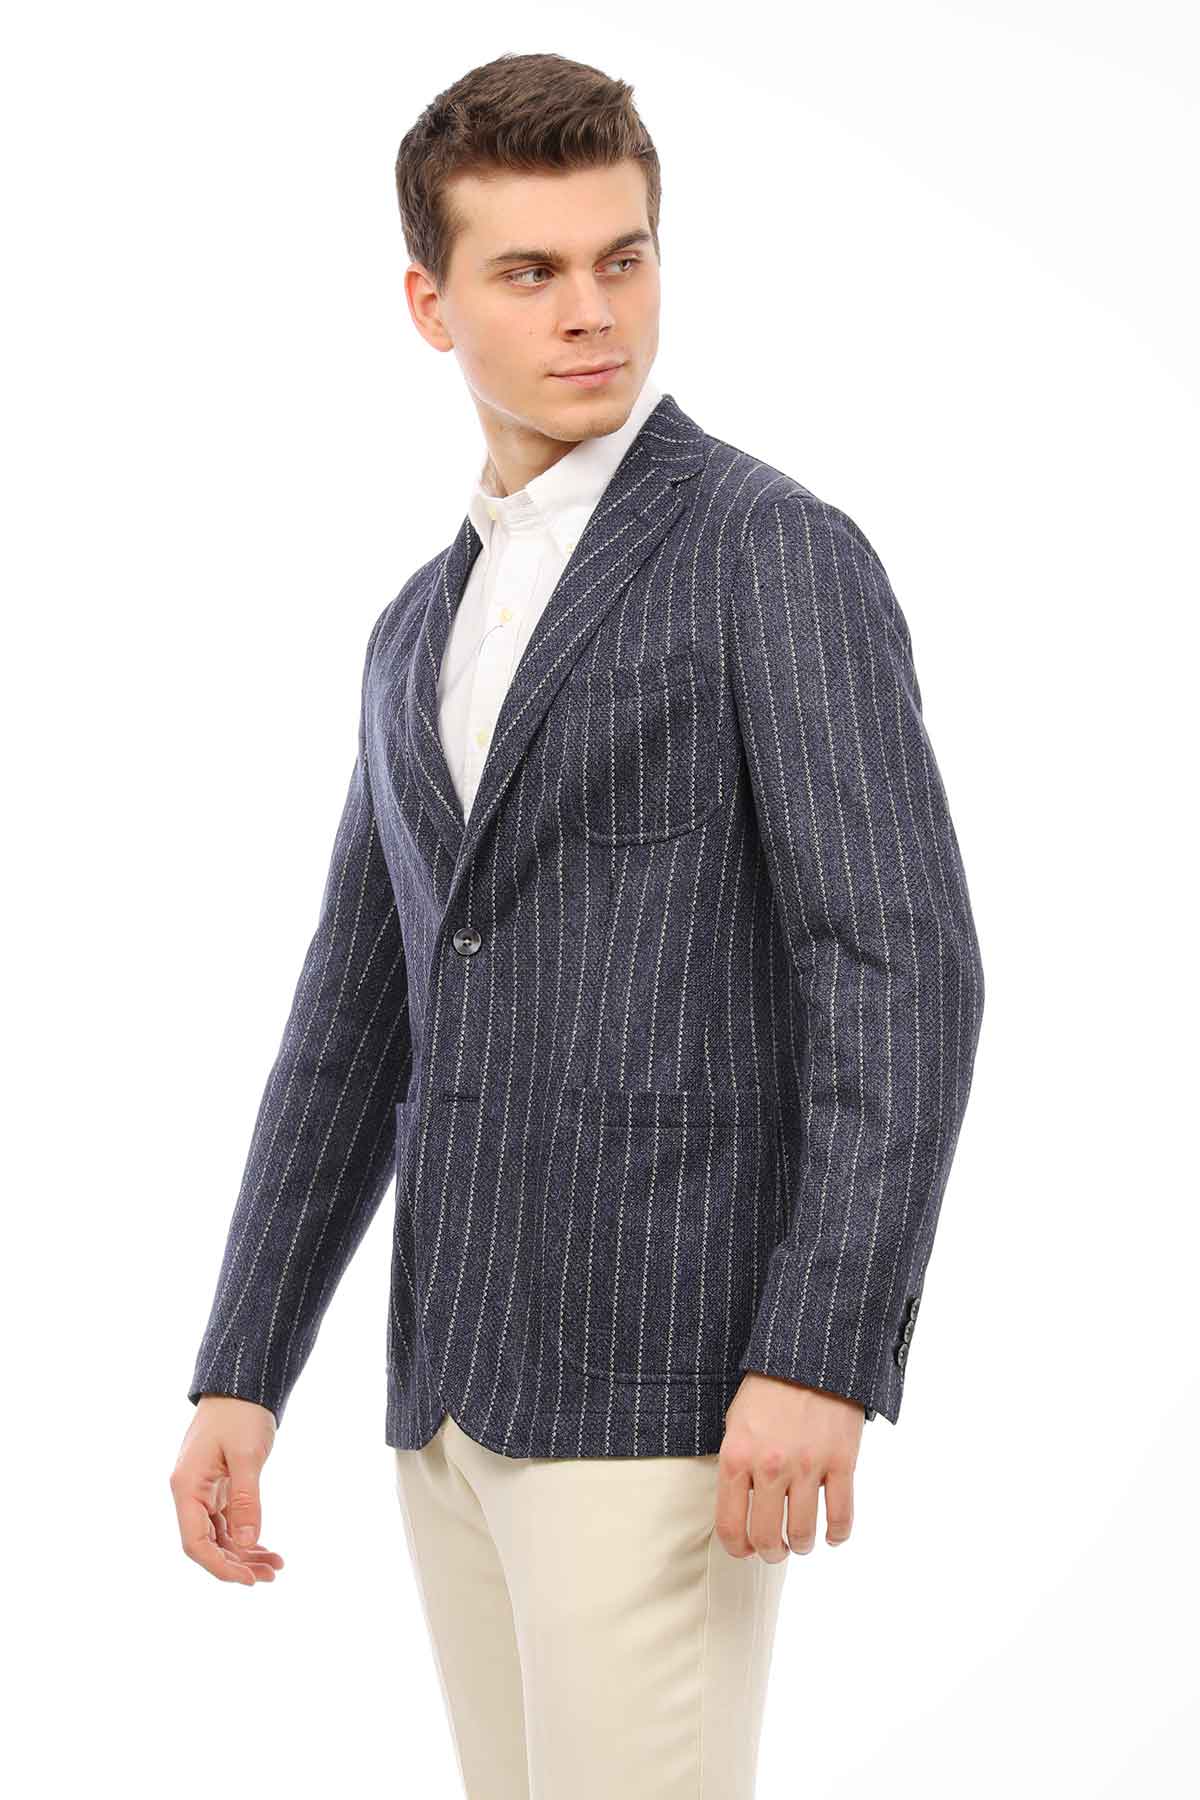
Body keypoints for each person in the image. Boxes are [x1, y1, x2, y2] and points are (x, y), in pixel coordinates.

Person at [171, 49, 985, 1799]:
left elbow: (901, 968)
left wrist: (821, 1350)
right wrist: (243, 1364)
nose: (592, 310)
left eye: (623, 257)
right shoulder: (416, 626)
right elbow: (352, 1014)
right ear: (430, 303)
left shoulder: (770, 552)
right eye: (531, 271)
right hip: (451, 1396)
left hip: (671, 1385)